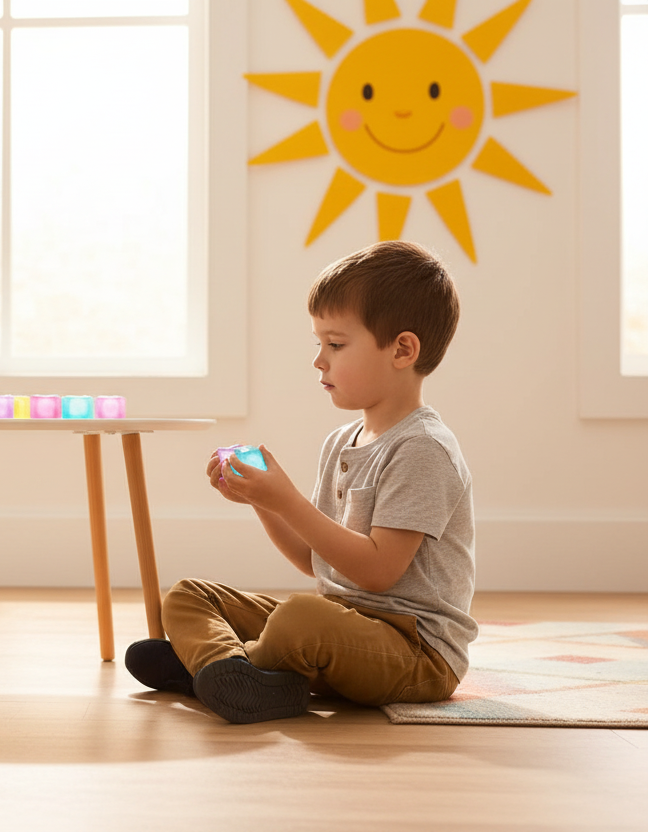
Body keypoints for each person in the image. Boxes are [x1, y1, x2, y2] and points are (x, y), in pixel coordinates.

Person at [126, 240, 476, 724]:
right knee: (188, 594)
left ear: (402, 350)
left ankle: (214, 666)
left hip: (415, 651)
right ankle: (230, 673)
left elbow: (377, 572)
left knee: (300, 619)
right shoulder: (341, 441)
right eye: (319, 344)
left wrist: (286, 499)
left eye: (336, 345)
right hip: (343, 627)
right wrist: (262, 500)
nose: (319, 360)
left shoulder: (423, 448)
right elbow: (313, 559)